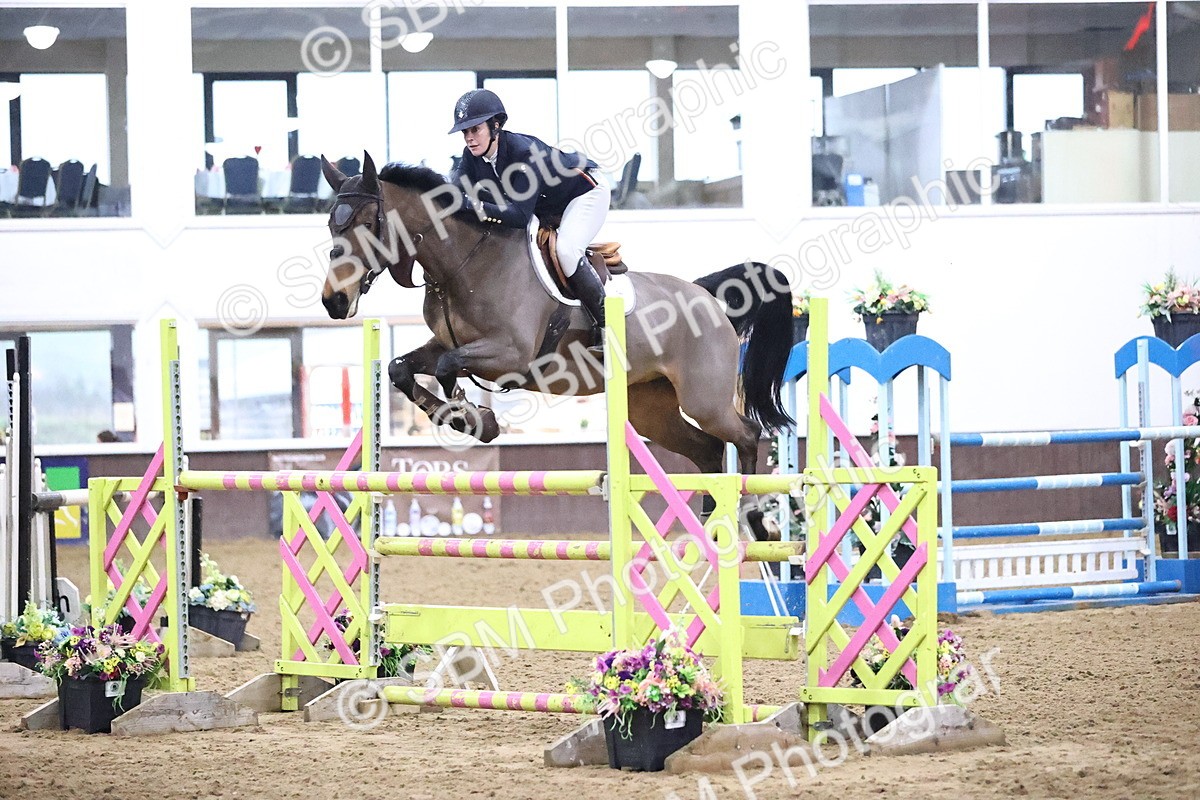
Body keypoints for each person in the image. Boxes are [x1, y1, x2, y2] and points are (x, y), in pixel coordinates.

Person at [448, 89, 611, 351]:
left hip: (584, 193)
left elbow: (520, 217)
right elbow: (454, 193)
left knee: (566, 251)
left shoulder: (523, 154)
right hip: (545, 204)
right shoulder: (471, 156)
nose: (469, 138)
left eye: (475, 129)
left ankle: (608, 328)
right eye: (464, 132)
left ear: (496, 125)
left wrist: (471, 205)